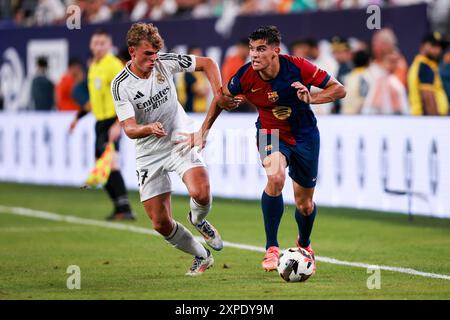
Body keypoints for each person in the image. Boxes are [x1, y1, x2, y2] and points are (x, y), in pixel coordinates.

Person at [191, 25, 345, 273]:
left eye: (261, 49)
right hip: (269, 133)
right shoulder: (244, 75)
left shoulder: (298, 66)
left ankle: (304, 246)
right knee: (275, 177)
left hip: (305, 136)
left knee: (304, 204)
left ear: (275, 51)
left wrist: (311, 98)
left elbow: (339, 89)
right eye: (252, 49)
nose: (254, 55)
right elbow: (220, 98)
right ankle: (271, 248)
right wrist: (203, 131)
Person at [111, 22, 227, 275]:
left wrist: (220, 94)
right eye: (147, 54)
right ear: (132, 52)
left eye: (155, 53)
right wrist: (148, 128)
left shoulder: (166, 61)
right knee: (160, 222)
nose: (153, 59)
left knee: (202, 192)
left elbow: (208, 62)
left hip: (178, 138)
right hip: (148, 151)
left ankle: (198, 219)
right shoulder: (121, 85)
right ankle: (201, 255)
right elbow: (129, 128)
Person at [69, 30, 136, 221]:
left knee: (110, 164)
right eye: (95, 43)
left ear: (109, 45)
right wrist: (78, 117)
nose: (98, 47)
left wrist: (118, 124)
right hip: (99, 123)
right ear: (91, 46)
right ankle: (119, 207)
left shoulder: (113, 65)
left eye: (102, 43)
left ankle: (125, 208)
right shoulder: (94, 67)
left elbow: (126, 97)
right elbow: (93, 100)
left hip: (113, 120)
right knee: (103, 167)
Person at [408, 32, 449, 116]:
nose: (437, 50)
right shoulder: (425, 66)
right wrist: (436, 124)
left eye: (440, 46)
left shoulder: (423, 64)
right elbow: (428, 98)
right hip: (426, 120)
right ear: (422, 46)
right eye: (433, 45)